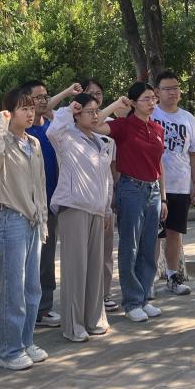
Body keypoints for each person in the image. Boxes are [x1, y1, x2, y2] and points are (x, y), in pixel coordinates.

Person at [47, 93, 122, 342]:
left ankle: (94, 319)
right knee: (75, 269)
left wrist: (107, 208)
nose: (95, 115)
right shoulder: (66, 136)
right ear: (77, 115)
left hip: (97, 210)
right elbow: (52, 129)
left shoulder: (103, 142)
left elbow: (107, 179)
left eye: (96, 111)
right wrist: (69, 108)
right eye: (89, 111)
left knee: (94, 268)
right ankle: (73, 324)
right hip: (74, 207)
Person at [0, 88, 49, 370]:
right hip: (12, 220)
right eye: (23, 108)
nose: (30, 113)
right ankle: (8, 350)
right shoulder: (3, 141)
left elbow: (40, 184)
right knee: (13, 288)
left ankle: (25, 341)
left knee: (32, 287)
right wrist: (1, 123)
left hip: (34, 221)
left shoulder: (33, 142)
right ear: (9, 113)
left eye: (31, 108)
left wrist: (43, 218)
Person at [96, 84, 167, 323]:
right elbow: (94, 124)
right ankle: (132, 301)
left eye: (154, 98)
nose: (152, 102)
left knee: (148, 247)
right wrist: (117, 105)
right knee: (130, 247)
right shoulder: (123, 126)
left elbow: (159, 164)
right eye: (146, 99)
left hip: (153, 190)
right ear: (134, 102)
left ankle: (144, 297)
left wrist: (163, 197)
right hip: (131, 189)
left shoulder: (157, 128)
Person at [22, 79, 82, 328]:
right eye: (37, 97)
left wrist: (66, 95)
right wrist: (66, 91)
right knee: (29, 260)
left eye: (45, 96)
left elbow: (55, 111)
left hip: (51, 201)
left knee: (46, 258)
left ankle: (43, 308)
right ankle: (29, 309)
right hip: (28, 205)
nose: (43, 101)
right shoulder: (23, 131)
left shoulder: (51, 127)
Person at [151, 71, 195, 296]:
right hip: (153, 184)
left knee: (174, 233)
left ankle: (173, 276)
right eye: (167, 88)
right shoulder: (150, 114)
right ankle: (148, 280)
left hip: (180, 184)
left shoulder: (188, 118)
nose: (173, 92)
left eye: (176, 88)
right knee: (152, 235)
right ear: (157, 92)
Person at [79, 78, 120, 312]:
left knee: (105, 249)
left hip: (104, 195)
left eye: (99, 93)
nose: (96, 96)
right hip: (82, 199)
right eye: (90, 93)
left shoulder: (110, 125)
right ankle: (87, 296)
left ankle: (104, 293)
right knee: (85, 252)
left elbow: (113, 164)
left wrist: (113, 192)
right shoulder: (73, 127)